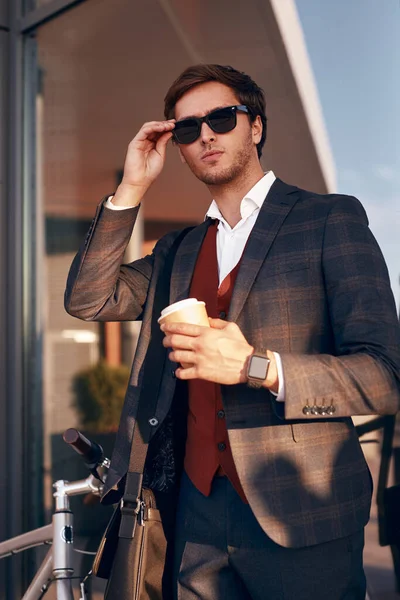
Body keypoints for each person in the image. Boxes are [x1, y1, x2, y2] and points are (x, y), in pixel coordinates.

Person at [65, 64, 400, 600]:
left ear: (257, 126)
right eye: (188, 128)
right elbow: (89, 298)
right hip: (193, 517)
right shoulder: (178, 250)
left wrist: (256, 367)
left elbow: (384, 375)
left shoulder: (328, 221)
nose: (207, 135)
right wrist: (130, 189)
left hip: (302, 517)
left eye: (221, 117)